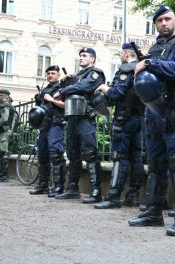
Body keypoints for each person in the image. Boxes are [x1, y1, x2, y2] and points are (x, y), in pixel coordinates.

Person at [127, 5, 175, 236]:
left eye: (168, 19)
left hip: (173, 111)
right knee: (156, 165)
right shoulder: (155, 47)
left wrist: (148, 63)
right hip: (153, 113)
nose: (164, 23)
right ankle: (154, 213)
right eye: (159, 20)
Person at [93, 43, 144, 209]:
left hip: (124, 119)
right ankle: (133, 196)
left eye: (121, 54)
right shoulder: (142, 69)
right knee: (136, 157)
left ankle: (114, 197)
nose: (121, 57)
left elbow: (116, 94)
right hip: (139, 118)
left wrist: (103, 87)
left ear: (126, 54)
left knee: (120, 156)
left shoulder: (126, 69)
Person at [53, 47, 106, 203]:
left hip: (85, 117)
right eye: (80, 56)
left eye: (84, 55)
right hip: (72, 117)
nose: (81, 58)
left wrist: (64, 90)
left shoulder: (96, 73)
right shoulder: (77, 76)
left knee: (90, 153)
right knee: (72, 153)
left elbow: (85, 87)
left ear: (93, 59)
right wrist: (65, 81)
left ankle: (96, 191)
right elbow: (62, 91)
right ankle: (72, 188)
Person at [29, 65, 66, 197]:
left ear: (58, 75)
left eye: (53, 73)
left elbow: (65, 105)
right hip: (44, 126)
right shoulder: (45, 89)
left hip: (56, 124)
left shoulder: (62, 87)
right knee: (42, 155)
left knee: (55, 155)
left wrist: (50, 99)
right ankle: (43, 185)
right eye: (49, 73)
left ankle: (59, 187)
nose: (50, 75)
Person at [0, 89, 17, 183]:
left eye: (0, 95)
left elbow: (4, 118)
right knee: (0, 153)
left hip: (4, 132)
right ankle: (0, 174)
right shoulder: (7, 106)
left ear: (4, 96)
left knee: (2, 153)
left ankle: (4, 176)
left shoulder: (5, 106)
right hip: (4, 131)